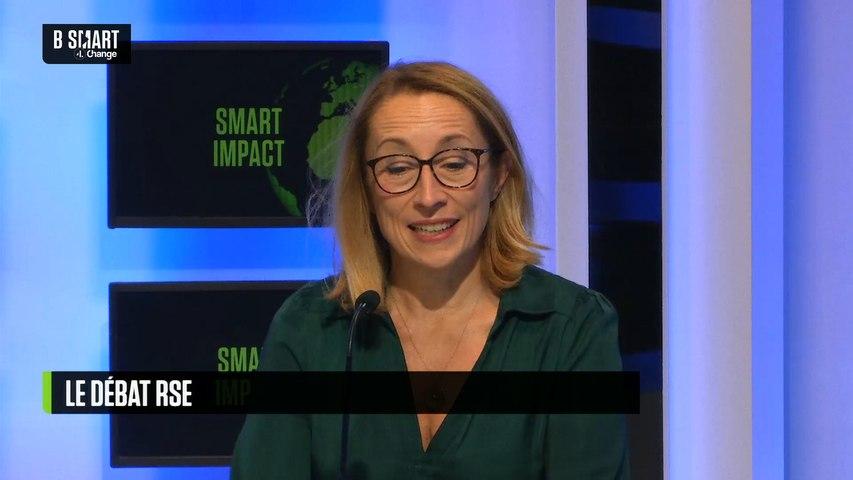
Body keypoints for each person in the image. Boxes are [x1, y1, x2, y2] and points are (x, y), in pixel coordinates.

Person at [231, 61, 629, 479]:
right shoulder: (311, 326)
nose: (428, 196)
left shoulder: (571, 327)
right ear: (366, 189)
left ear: (499, 176)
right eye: (398, 168)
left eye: (454, 164)